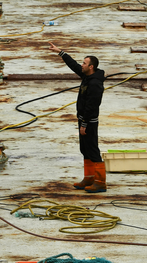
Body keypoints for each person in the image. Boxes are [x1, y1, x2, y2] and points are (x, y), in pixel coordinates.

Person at [48, 42, 107, 193]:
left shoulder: (95, 84)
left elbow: (91, 106)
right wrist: (60, 52)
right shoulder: (87, 76)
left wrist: (84, 124)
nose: (82, 65)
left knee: (93, 150)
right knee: (85, 149)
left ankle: (100, 182)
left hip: (89, 122)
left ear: (91, 67)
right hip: (83, 120)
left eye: (85, 63)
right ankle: (89, 177)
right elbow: (73, 65)